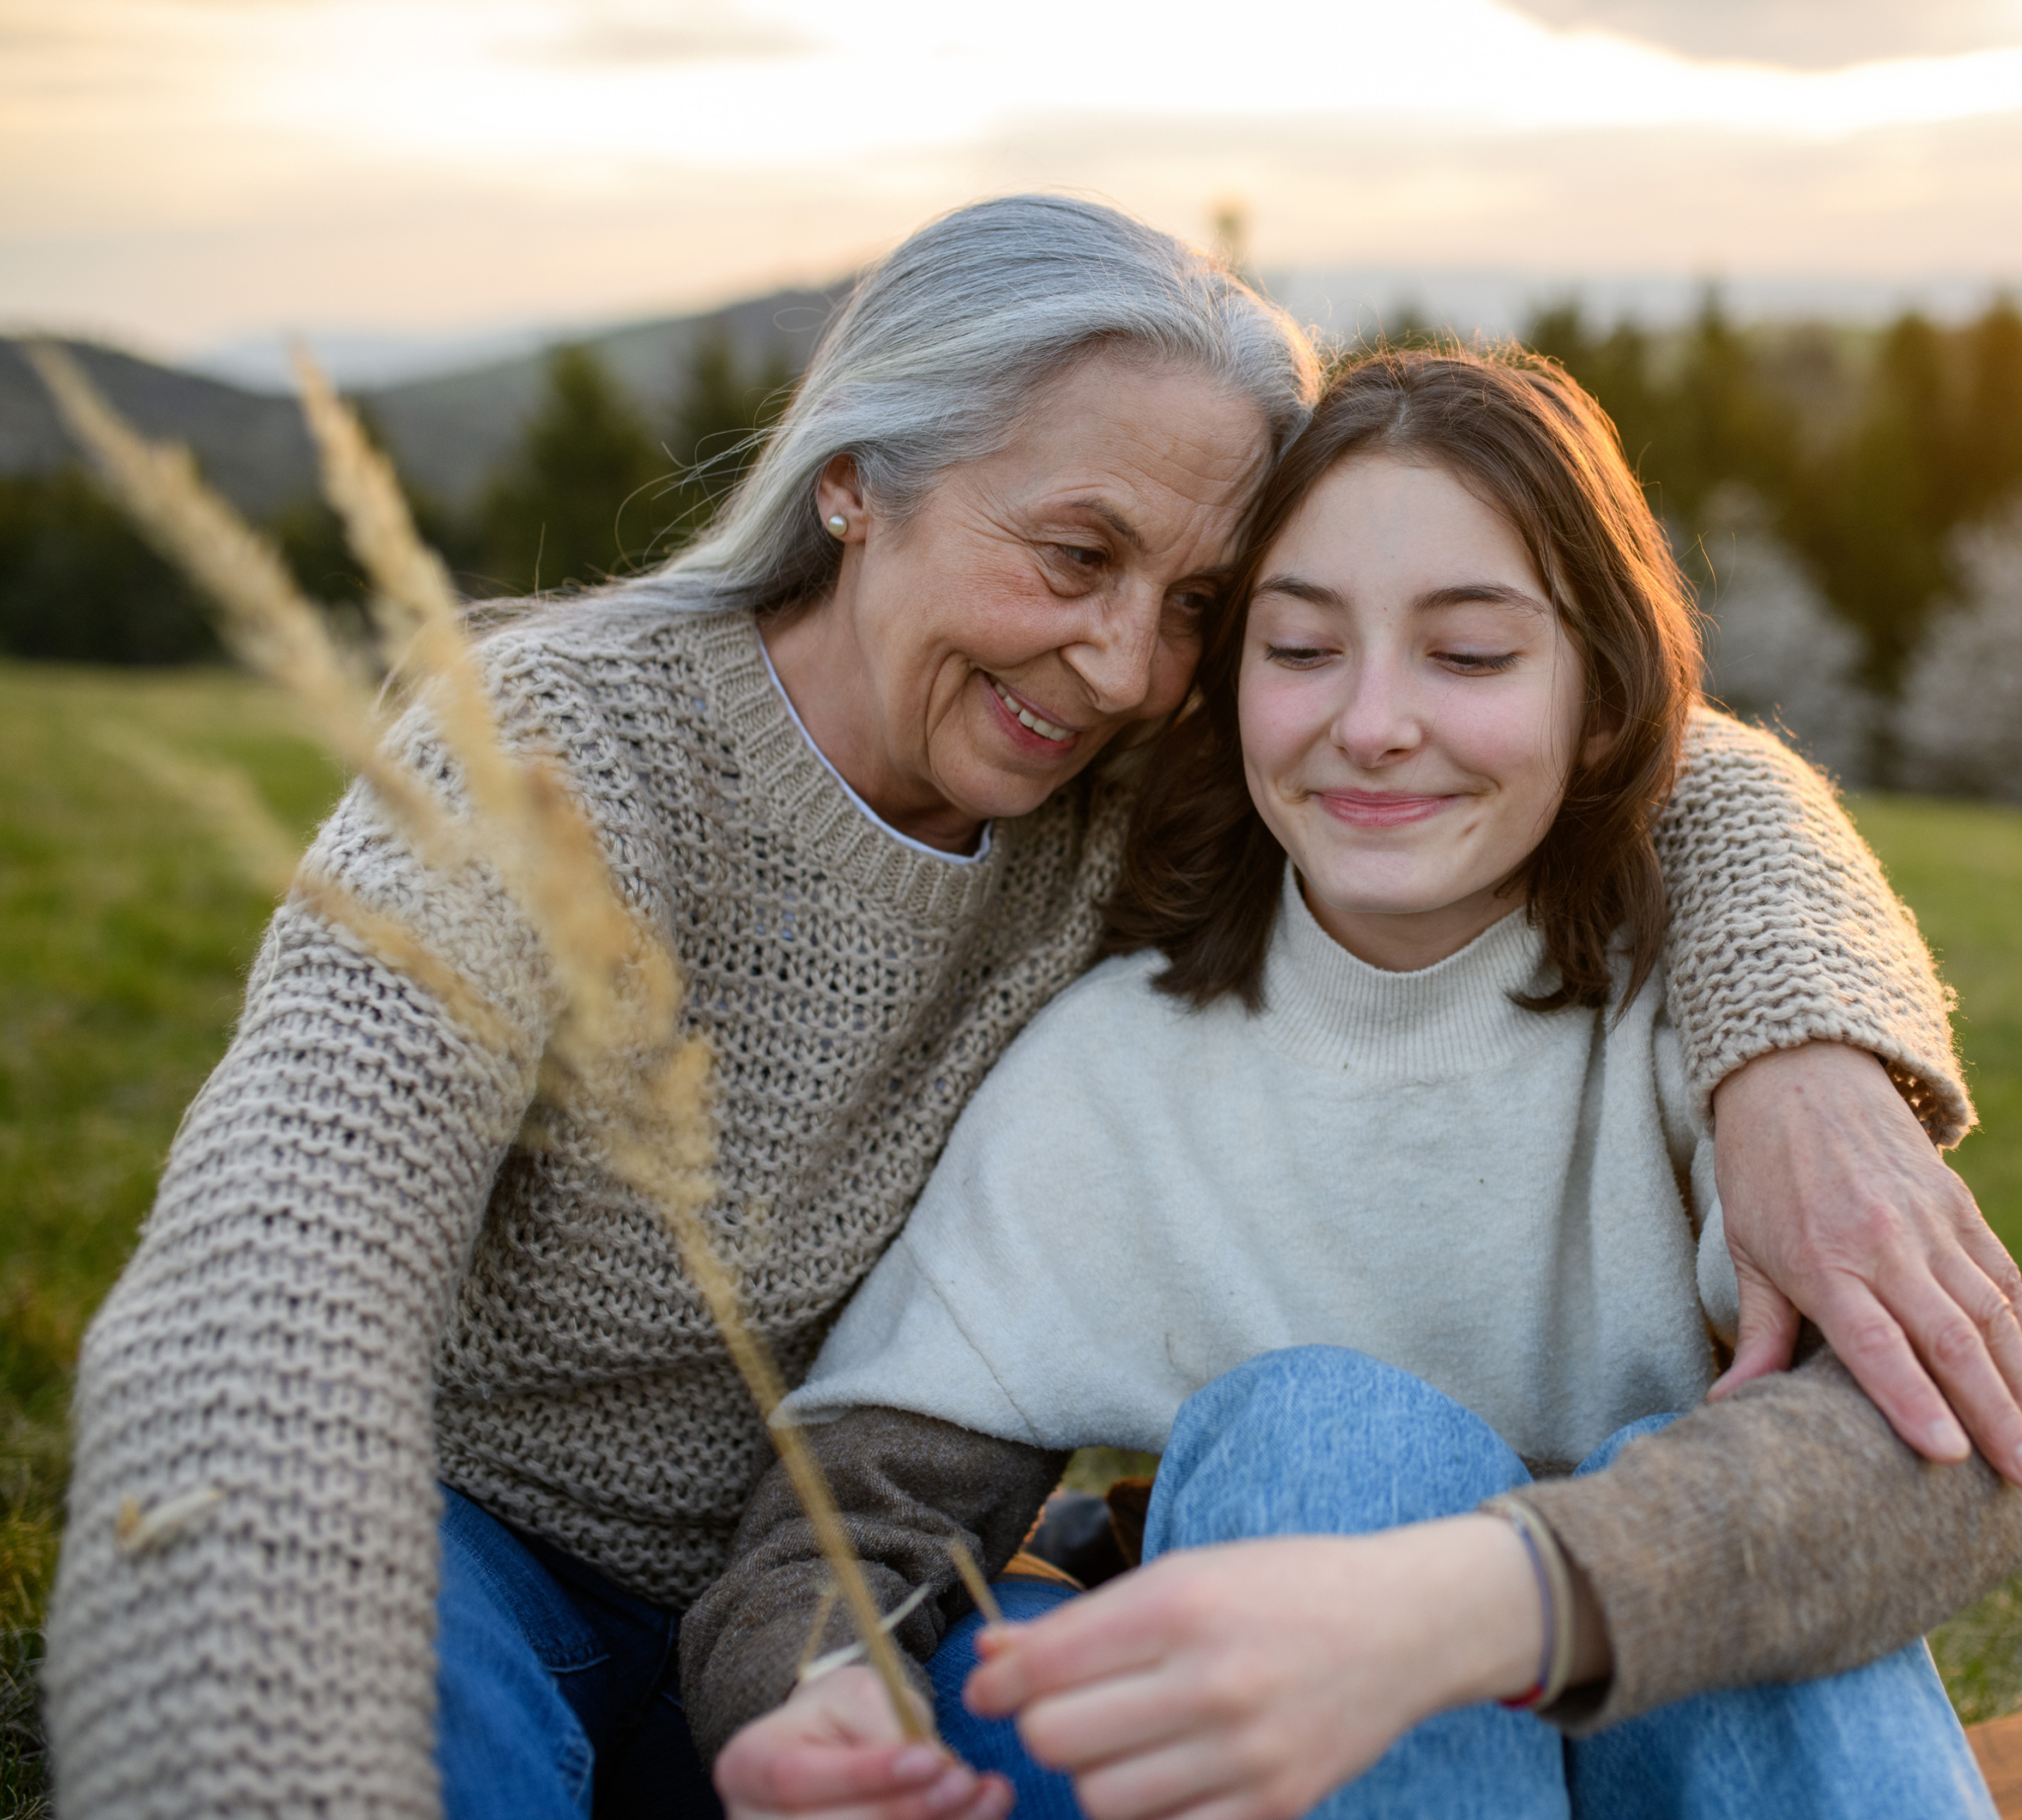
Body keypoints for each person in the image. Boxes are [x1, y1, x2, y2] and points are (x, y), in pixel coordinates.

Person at [40, 199, 2012, 1820]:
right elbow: (271, 1274)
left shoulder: (1135, 763)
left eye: (1195, 603)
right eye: (1071, 555)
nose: (1122, 661)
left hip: (882, 1595)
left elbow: (1618, 746)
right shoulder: (555, 748)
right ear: (851, 487)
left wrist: (1798, 1049)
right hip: (478, 1536)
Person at [693, 348, 2016, 1819]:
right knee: (1324, 1431)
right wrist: (823, 1695)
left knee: (1733, 1515)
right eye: (1302, 648)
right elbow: (854, 1516)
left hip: (1697, 1741)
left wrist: (1473, 1601)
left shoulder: (1732, 1017)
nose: (1373, 721)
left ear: (1599, 693)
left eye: (1468, 655)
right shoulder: (1121, 1072)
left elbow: (1954, 1450)